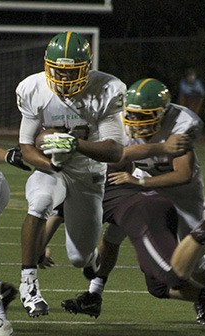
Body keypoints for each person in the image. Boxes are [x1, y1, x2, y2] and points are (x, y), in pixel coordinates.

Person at [63, 78, 205, 325]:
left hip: (184, 193)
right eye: (132, 116)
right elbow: (119, 154)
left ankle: (204, 299)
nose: (135, 123)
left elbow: (182, 174)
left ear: (163, 113)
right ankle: (94, 293)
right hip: (143, 179)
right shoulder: (123, 122)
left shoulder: (183, 123)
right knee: (114, 233)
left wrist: (140, 183)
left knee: (195, 258)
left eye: (143, 116)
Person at [14, 31, 127, 317]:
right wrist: (50, 163)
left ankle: (90, 258)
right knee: (40, 200)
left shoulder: (107, 88)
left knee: (79, 258)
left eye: (72, 72)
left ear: (86, 68)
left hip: (87, 172)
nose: (64, 80)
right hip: (52, 167)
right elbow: (26, 147)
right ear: (47, 67)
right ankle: (28, 284)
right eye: (58, 72)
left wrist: (77, 144)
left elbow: (115, 152)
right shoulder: (33, 89)